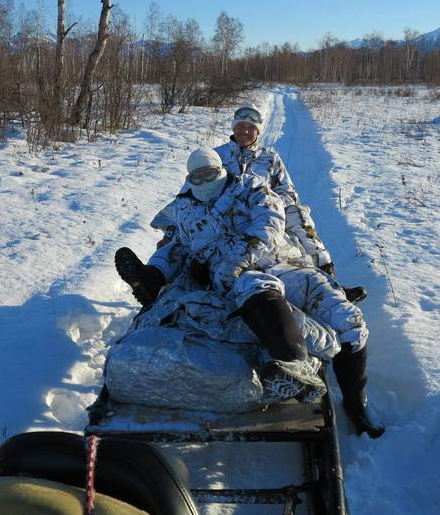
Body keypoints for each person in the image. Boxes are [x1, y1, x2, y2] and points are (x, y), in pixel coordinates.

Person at [116, 147, 384, 438]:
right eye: (197, 175)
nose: (204, 179)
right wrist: (161, 272)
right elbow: (179, 246)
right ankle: (291, 366)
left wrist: (241, 255)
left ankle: (357, 404)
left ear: (221, 170)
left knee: (348, 318)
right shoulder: (184, 208)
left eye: (209, 172)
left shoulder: (251, 187)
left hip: (282, 263)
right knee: (255, 287)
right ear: (189, 177)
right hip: (238, 276)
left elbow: (270, 223)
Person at [151, 102, 366, 303]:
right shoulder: (216, 156)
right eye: (240, 126)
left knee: (298, 214)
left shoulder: (270, 158)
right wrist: (169, 232)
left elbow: (287, 192)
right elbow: (187, 194)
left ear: (258, 131)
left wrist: (266, 201)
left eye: (250, 127)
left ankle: (330, 281)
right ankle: (152, 278)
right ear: (234, 128)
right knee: (181, 236)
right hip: (216, 215)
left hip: (261, 214)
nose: (245, 131)